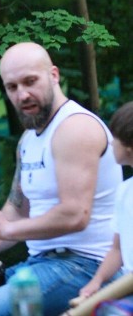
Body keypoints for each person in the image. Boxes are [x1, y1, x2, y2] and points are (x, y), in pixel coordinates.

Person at [0, 42, 123, 315]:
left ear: (54, 75)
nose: (22, 94)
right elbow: (18, 208)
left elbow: (75, 215)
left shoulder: (75, 128)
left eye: (30, 81)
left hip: (87, 266)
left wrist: (5, 230)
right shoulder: (29, 139)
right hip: (44, 265)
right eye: (12, 87)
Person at [77, 101, 133, 304]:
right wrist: (97, 282)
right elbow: (117, 250)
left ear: (129, 147)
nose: (110, 143)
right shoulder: (124, 191)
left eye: (115, 138)